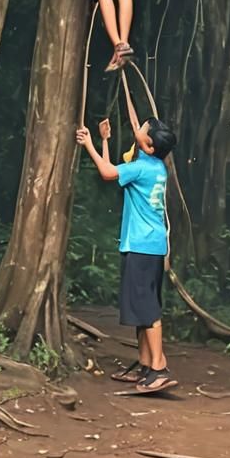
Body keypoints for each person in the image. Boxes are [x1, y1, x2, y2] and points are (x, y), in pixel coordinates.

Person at [75, 78, 177, 394]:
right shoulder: (155, 165)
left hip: (142, 246)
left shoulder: (143, 167)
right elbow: (118, 167)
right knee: (142, 307)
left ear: (148, 145)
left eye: (143, 129)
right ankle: (146, 367)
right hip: (153, 245)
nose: (140, 126)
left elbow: (108, 173)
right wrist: (106, 140)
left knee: (147, 310)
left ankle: (159, 369)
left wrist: (89, 142)